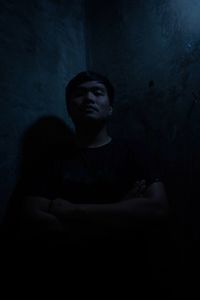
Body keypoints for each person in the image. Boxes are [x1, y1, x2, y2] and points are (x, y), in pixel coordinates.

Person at [7, 71, 168, 248]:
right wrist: (122, 210)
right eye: (80, 93)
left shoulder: (134, 151)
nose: (89, 98)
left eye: (97, 92)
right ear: (69, 108)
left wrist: (73, 210)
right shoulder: (51, 158)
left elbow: (157, 208)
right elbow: (31, 216)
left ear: (110, 108)